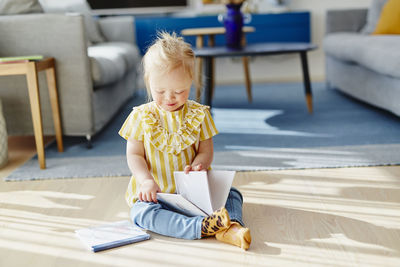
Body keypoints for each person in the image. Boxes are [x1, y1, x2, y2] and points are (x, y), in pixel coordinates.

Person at [119, 31, 251, 250]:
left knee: (232, 193)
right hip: (156, 196)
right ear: (148, 82)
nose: (169, 98)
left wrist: (201, 164)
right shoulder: (141, 116)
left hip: (194, 195)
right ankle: (199, 227)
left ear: (192, 82)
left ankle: (232, 227)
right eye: (160, 91)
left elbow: (206, 151)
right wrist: (145, 181)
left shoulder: (199, 115)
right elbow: (134, 155)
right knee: (140, 214)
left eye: (179, 91)